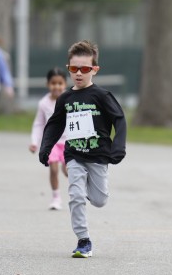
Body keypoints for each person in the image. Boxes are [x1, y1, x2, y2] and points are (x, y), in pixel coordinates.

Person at [38, 40, 126, 258]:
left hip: (98, 156)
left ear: (94, 70)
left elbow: (119, 119)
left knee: (100, 200)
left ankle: (85, 188)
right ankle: (83, 240)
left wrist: (118, 146)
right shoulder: (65, 98)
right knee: (76, 196)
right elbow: (55, 124)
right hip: (74, 155)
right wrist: (46, 147)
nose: (79, 73)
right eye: (74, 68)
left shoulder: (102, 96)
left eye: (85, 69)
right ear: (68, 68)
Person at [29, 67, 69, 210]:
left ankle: (78, 192)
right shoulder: (44, 103)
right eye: (53, 83)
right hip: (52, 142)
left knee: (68, 170)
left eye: (60, 83)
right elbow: (39, 124)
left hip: (69, 141)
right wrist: (34, 142)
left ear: (65, 84)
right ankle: (56, 198)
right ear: (48, 84)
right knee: (53, 169)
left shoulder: (70, 99)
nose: (56, 86)